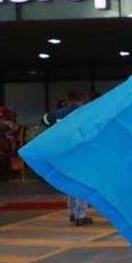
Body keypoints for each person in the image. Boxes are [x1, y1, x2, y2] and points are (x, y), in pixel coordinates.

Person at [43, 91, 92, 226]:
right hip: (81, 152)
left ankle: (72, 212)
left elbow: (44, 119)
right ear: (83, 99)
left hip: (63, 152)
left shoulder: (57, 114)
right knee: (82, 183)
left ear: (68, 99)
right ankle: (80, 216)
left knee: (69, 183)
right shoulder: (86, 112)